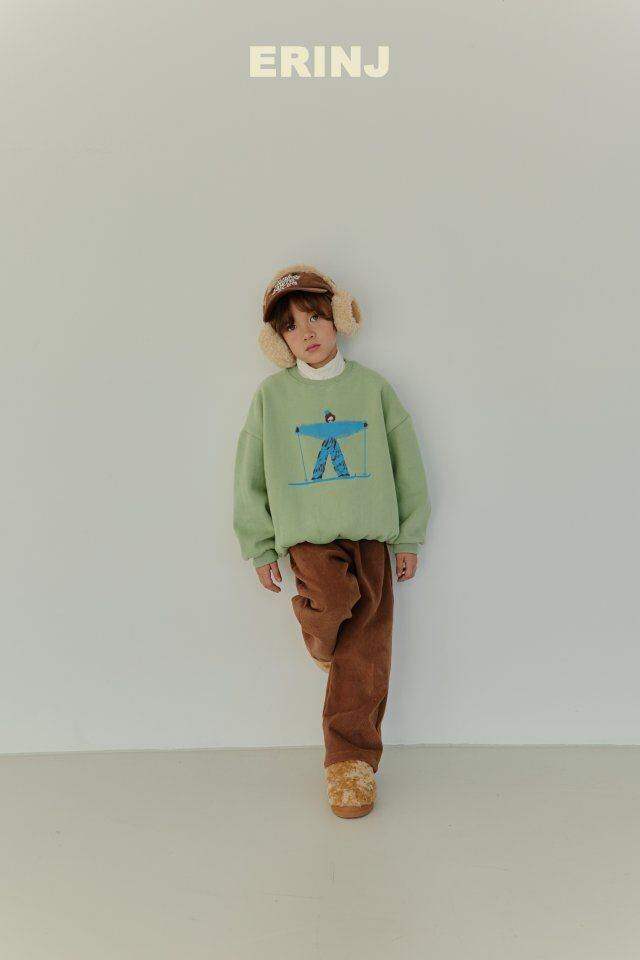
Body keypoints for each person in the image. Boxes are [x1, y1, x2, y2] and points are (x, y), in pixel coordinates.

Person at [232, 263, 431, 818]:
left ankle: (350, 763)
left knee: (367, 656)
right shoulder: (271, 398)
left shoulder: (373, 388)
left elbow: (407, 464)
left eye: (316, 317)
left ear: (340, 316)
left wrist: (408, 537)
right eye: (292, 326)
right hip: (309, 538)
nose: (308, 332)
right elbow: (249, 477)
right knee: (334, 604)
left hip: (372, 538)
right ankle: (321, 642)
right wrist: (260, 545)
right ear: (278, 341)